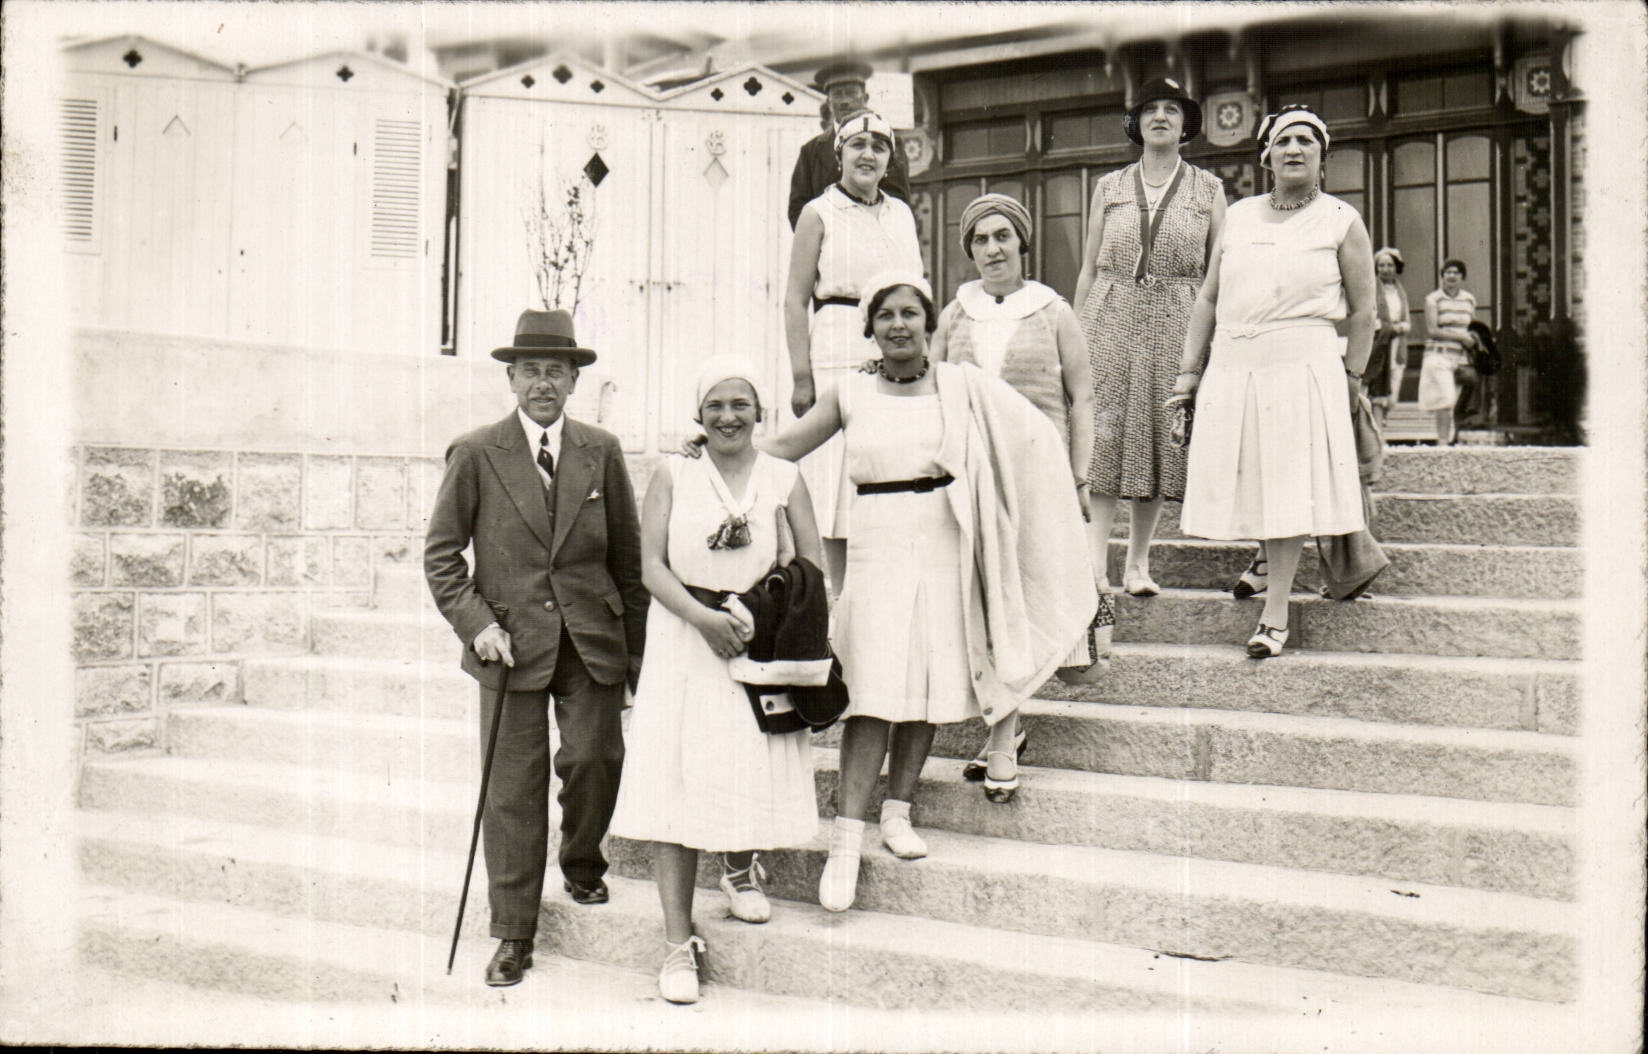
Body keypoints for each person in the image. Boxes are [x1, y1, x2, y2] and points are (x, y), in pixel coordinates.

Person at [764, 270, 1092, 913]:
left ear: (929, 323)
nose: (899, 325)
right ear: (870, 328)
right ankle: (846, 841)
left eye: (911, 313)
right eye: (885, 315)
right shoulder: (850, 392)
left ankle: (898, 811)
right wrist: (709, 455)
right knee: (872, 691)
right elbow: (781, 451)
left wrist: (1069, 485)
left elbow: (1033, 439)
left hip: (945, 539)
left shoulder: (962, 386)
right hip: (878, 542)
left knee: (926, 684)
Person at [424, 308, 648, 987]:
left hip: (590, 638)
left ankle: (582, 862)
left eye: (556, 371)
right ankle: (513, 932)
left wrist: (638, 660)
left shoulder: (600, 451)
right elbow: (441, 558)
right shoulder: (475, 452)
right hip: (509, 644)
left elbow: (629, 564)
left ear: (574, 381)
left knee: (594, 755)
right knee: (512, 788)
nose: (542, 383)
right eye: (530, 371)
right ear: (511, 379)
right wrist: (476, 625)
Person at [609, 357, 824, 1005]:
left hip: (754, 640)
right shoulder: (673, 473)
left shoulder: (785, 477)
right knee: (675, 780)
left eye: (741, 403)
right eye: (716, 405)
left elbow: (812, 565)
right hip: (684, 639)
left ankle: (738, 868)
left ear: (761, 413)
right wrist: (704, 619)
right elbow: (649, 566)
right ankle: (678, 941)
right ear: (698, 416)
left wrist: (768, 614)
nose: (728, 415)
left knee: (745, 762)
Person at [1168, 105, 1377, 659]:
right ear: (1266, 156)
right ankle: (1265, 561)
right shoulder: (1239, 216)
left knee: (1287, 483)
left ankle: (1276, 610)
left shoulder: (1340, 219)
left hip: (1301, 364)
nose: (1294, 149)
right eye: (1284, 140)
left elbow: (1363, 309)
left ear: (1323, 157)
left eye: (1307, 140)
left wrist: (1352, 375)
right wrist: (1189, 373)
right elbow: (1209, 297)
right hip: (1235, 364)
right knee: (1253, 472)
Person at [930, 192, 1096, 803]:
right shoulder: (955, 314)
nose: (992, 248)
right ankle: (1005, 729)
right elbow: (932, 391)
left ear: (1022, 243)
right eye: (980, 239)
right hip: (971, 476)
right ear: (968, 248)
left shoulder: (1052, 311)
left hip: (1037, 474)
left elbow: (1081, 398)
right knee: (986, 600)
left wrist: (1080, 479)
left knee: (1023, 598)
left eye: (1003, 236)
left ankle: (1004, 729)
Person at [1071, 76, 1226, 599]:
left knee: (1158, 439)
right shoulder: (1110, 186)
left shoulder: (1209, 188)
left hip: (1176, 318)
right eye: (1150, 109)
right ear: (1135, 123)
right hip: (1110, 315)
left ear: (1186, 126)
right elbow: (1089, 267)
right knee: (1105, 435)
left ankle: (1138, 563)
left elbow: (1216, 275)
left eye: (1172, 110)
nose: (1161, 116)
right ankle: (1093, 563)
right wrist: (1074, 334)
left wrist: (1208, 342)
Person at [784, 109, 923, 594]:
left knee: (889, 463)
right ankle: (840, 598)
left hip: (895, 340)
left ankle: (884, 587)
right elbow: (795, 298)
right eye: (858, 145)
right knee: (839, 480)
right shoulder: (817, 213)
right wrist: (802, 378)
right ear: (839, 154)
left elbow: (915, 288)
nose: (868, 154)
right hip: (838, 341)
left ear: (889, 161)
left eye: (879, 147)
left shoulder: (901, 213)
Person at [787, 61, 911, 230]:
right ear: (828, 102)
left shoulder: (887, 142)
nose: (844, 101)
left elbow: (898, 199)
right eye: (837, 94)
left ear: (865, 98)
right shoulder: (811, 150)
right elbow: (797, 208)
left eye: (851, 93)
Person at [1419, 259, 1479, 445]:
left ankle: (1453, 441)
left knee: (1456, 402)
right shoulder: (1433, 299)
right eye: (1448, 272)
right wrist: (1461, 337)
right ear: (1442, 276)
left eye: (1456, 273)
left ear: (1462, 277)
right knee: (1445, 398)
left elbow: (1472, 327)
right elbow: (1433, 330)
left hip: (1461, 359)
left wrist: (1475, 338)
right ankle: (1443, 443)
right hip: (1439, 355)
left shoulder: (1469, 299)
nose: (1452, 276)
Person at [1368, 247, 1412, 427]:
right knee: (1378, 391)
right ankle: (1377, 433)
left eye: (1390, 265)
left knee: (1393, 391)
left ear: (1396, 267)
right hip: (1379, 344)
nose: (1385, 269)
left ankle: (1382, 421)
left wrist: (1400, 327)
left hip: (1397, 345)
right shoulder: (1371, 289)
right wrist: (1384, 327)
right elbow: (1368, 317)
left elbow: (1407, 321)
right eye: (1381, 266)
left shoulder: (1400, 292)